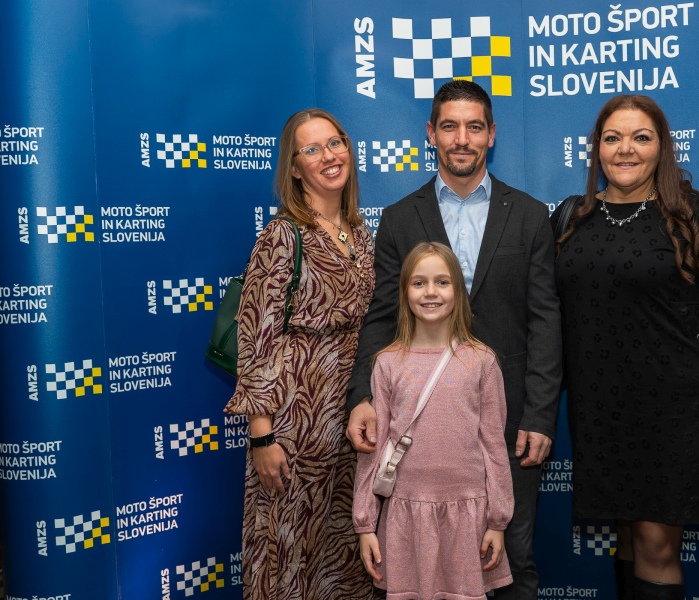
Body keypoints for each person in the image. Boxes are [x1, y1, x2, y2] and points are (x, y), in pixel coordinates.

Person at [345, 80, 562, 599]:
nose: (461, 139)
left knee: (511, 559)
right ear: (431, 134)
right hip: (420, 432)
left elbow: (545, 320)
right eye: (449, 127)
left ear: (492, 134)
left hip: (507, 423)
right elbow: (382, 315)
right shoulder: (400, 218)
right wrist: (362, 396)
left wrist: (539, 415)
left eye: (474, 127)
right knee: (420, 566)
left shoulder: (529, 215)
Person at [551, 94, 699, 600]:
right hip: (601, 410)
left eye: (641, 137)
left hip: (675, 412)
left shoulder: (690, 215)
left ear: (662, 147)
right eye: (612, 138)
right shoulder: (573, 218)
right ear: (596, 149)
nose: (626, 149)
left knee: (657, 545)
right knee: (624, 534)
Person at [224, 108, 376, 600]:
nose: (329, 156)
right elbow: (256, 336)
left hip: (350, 422)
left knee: (342, 557)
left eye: (335, 143)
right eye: (311, 149)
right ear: (294, 168)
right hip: (294, 426)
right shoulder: (283, 235)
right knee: (288, 553)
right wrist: (261, 435)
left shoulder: (360, 233)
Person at [353, 241, 514, 598]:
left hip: (468, 516)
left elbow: (494, 448)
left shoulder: (481, 362)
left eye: (442, 282)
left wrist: (497, 521)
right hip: (406, 515)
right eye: (419, 282)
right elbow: (373, 452)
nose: (430, 292)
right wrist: (365, 524)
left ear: (458, 291)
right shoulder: (387, 363)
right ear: (404, 292)